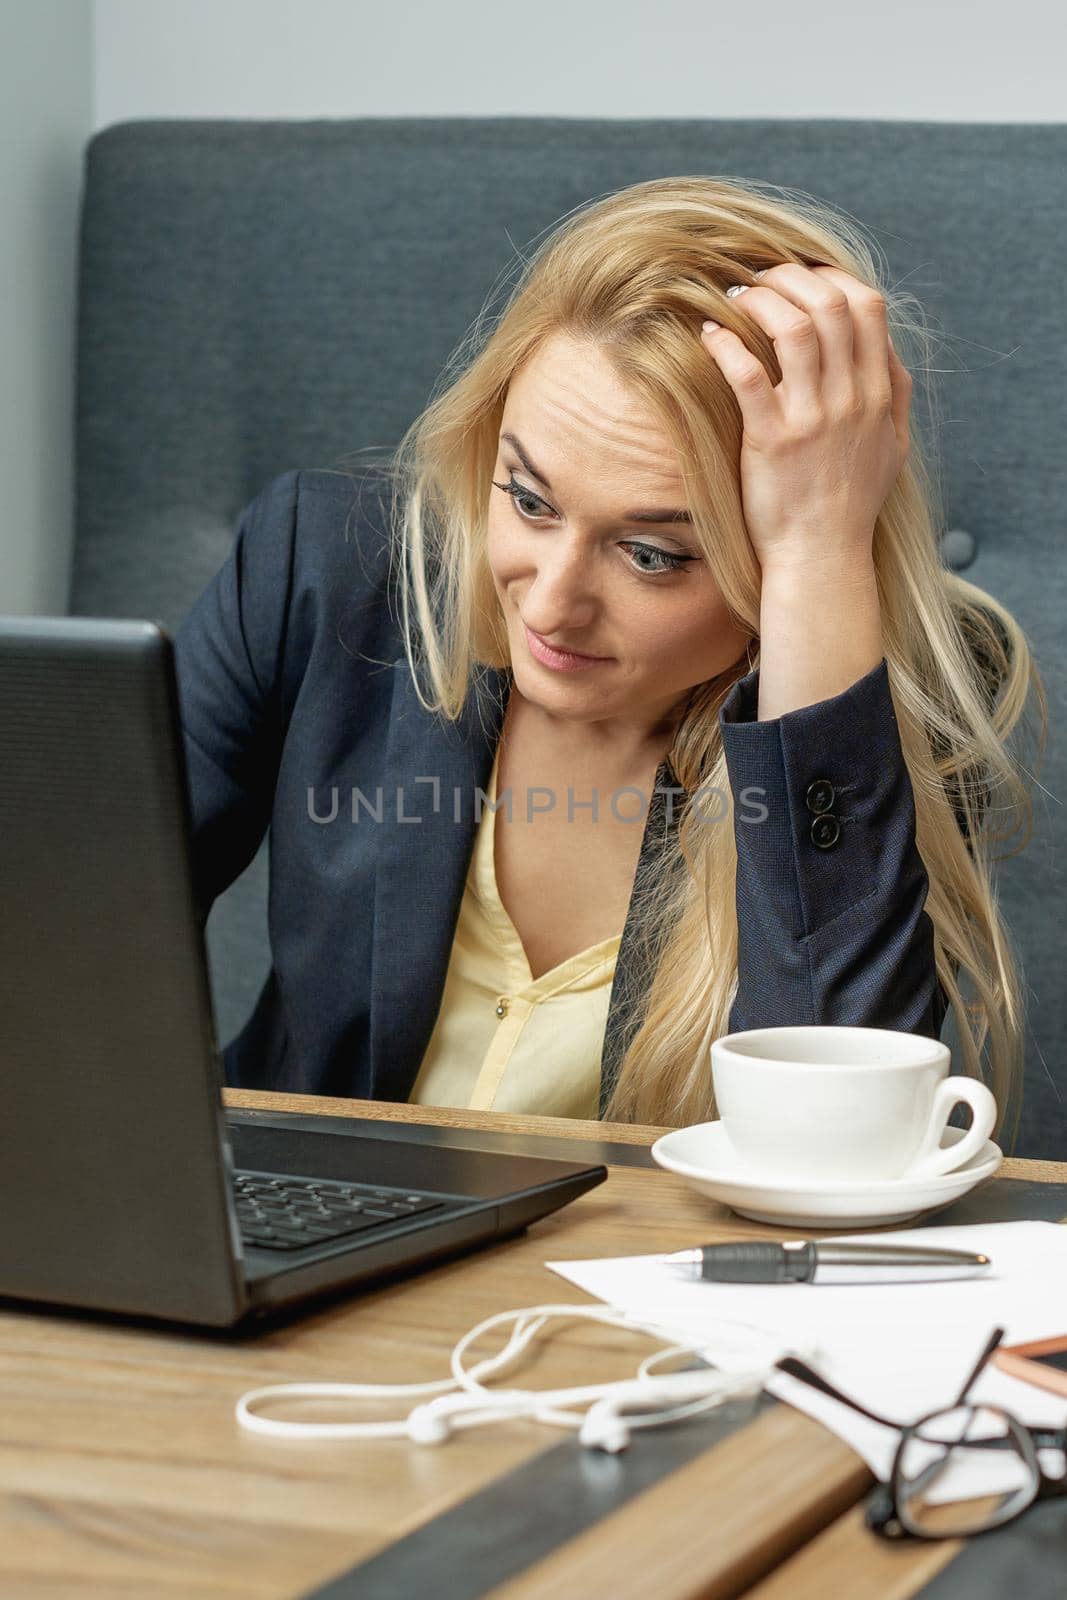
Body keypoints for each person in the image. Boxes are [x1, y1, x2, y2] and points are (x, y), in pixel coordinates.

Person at [174, 175, 1046, 1137]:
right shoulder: (326, 569)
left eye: (651, 555)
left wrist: (817, 555)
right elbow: (61, 916)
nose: (548, 603)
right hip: (305, 1251)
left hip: (649, 1283)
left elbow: (834, 1139)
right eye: (529, 499)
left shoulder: (897, 694)